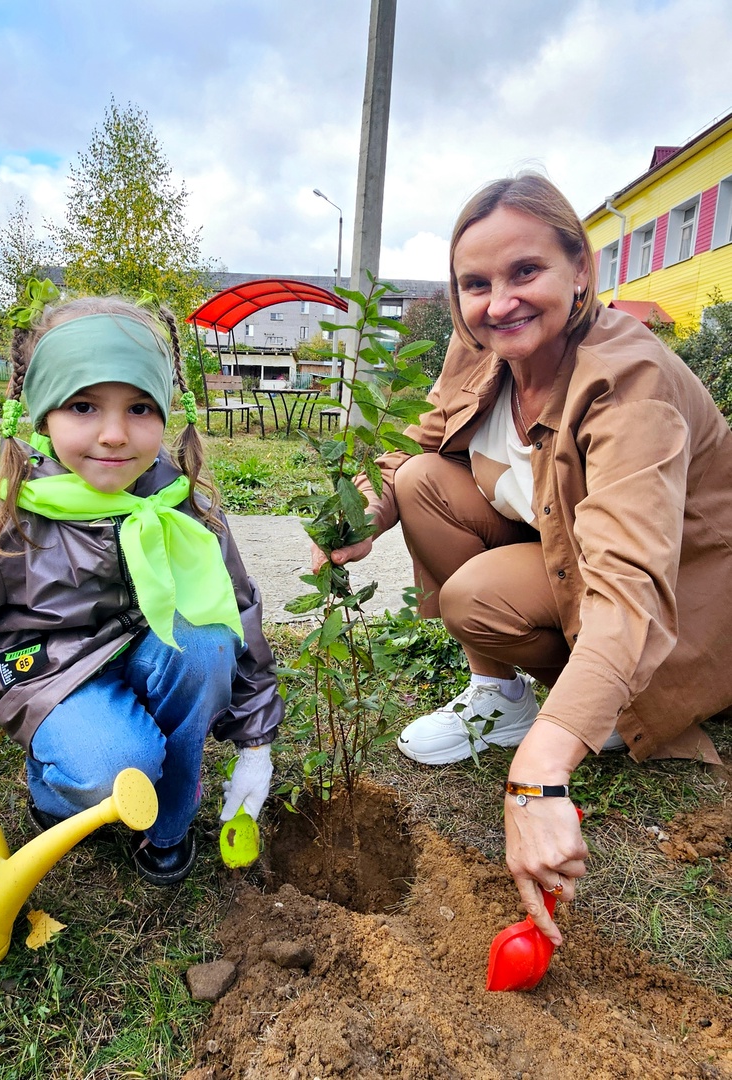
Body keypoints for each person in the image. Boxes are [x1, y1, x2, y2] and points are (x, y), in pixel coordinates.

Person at [314, 172, 732, 942]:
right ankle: (500, 701)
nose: (498, 301)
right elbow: (422, 442)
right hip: (557, 548)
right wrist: (367, 515)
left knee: (477, 596)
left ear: (582, 271)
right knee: (418, 482)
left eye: (525, 272)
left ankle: (601, 709)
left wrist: (542, 773)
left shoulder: (629, 384)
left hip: (664, 591)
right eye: (476, 283)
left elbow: (630, 587)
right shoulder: (481, 349)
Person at [0, 285, 283, 886]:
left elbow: (237, 609)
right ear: (42, 412)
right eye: (84, 407)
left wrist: (256, 744)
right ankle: (59, 786)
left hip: (148, 654)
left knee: (207, 641)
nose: (114, 434)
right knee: (113, 763)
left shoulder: (178, 504)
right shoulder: (0, 512)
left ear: (169, 412)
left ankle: (167, 820)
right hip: (49, 671)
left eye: (140, 408)